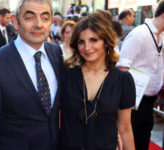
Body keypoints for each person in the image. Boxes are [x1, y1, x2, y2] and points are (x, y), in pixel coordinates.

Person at [0, 0, 63, 149]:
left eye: (45, 18)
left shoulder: (56, 52)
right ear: (15, 22)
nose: (38, 24)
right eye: (30, 18)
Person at [58, 12, 135, 150]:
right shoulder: (66, 76)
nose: (87, 48)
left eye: (93, 40)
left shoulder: (123, 80)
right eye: (81, 42)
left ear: (106, 42)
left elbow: (125, 128)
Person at [116, 1, 164, 149]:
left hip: (149, 101)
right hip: (134, 103)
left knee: (143, 141)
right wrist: (129, 97)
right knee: (129, 141)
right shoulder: (139, 34)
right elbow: (122, 67)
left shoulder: (161, 37)